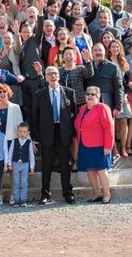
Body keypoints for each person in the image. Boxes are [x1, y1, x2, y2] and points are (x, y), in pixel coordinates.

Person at [31, 66, 77, 205]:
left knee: (65, 165)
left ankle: (68, 193)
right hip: (47, 134)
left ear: (59, 76)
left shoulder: (69, 92)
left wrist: (71, 131)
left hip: (63, 133)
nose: (53, 76)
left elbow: (74, 113)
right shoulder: (39, 94)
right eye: (50, 74)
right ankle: (45, 195)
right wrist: (36, 135)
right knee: (46, 165)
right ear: (45, 77)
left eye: (55, 73)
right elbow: (34, 117)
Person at [74, 86, 115, 204]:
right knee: (90, 170)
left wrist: (108, 146)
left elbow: (109, 127)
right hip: (84, 144)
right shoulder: (82, 108)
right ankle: (96, 193)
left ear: (98, 96)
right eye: (88, 94)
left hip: (100, 145)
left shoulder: (103, 107)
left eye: (93, 94)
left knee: (102, 170)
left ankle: (107, 194)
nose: (90, 96)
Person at [7, 122, 35, 207]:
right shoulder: (14, 141)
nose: (22, 134)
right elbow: (10, 153)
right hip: (15, 164)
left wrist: (32, 167)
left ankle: (23, 200)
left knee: (24, 183)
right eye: (20, 131)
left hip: (25, 165)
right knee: (16, 182)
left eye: (24, 132)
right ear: (17, 132)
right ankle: (16, 200)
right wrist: (9, 164)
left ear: (28, 133)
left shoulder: (29, 142)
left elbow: (31, 156)